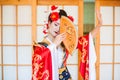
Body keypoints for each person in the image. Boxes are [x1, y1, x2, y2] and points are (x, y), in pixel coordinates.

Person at [32, 5, 102, 80]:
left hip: (65, 77)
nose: (58, 29)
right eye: (56, 24)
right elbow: (38, 61)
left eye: (61, 26)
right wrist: (54, 44)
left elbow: (86, 40)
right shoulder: (40, 47)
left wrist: (99, 25)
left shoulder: (65, 42)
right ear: (49, 23)